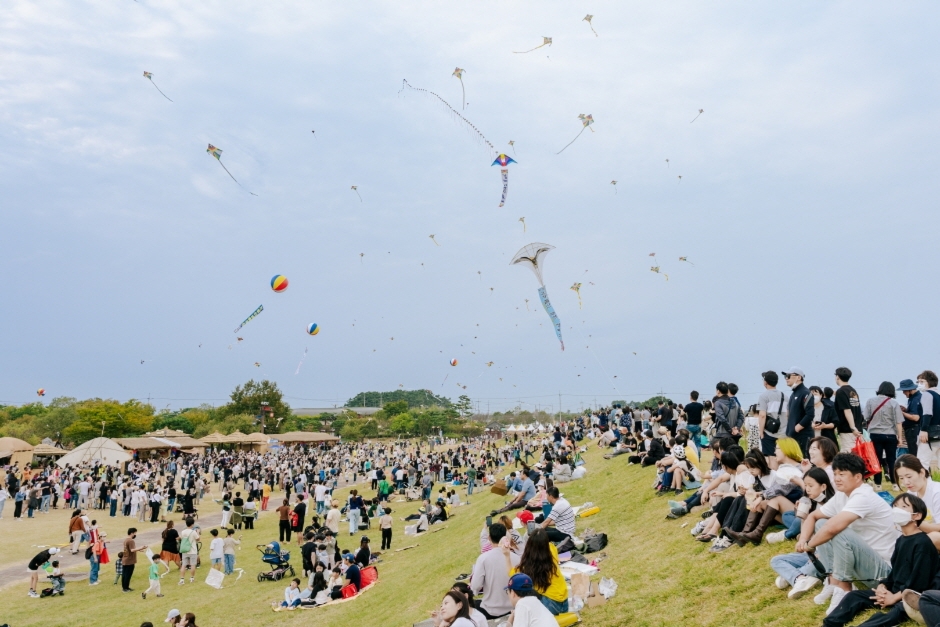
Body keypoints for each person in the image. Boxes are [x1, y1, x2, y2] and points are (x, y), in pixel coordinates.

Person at [793, 453, 898, 614]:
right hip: (864, 562)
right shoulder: (842, 495)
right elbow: (813, 516)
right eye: (835, 474)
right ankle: (833, 581)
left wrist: (809, 545)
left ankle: (844, 588)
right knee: (822, 522)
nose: (836, 478)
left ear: (857, 477)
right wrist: (804, 539)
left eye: (842, 474)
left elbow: (833, 528)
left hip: (883, 573)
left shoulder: (863, 496)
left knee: (838, 530)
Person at [822, 493, 937, 627]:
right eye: (895, 506)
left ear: (916, 515)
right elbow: (895, 571)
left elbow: (919, 583)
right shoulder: (901, 540)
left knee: (892, 615)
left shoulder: (922, 543)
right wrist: (883, 586)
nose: (897, 510)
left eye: (904, 507)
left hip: (909, 596)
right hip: (893, 591)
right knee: (854, 596)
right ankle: (830, 624)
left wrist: (893, 598)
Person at [504, 529, 568, 615]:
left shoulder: (527, 566)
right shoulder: (552, 549)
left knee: (523, 588)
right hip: (565, 604)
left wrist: (507, 555)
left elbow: (511, 573)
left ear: (529, 545)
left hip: (549, 605)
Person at [470, 523, 520, 620]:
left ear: (489, 538)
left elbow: (476, 586)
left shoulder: (483, 558)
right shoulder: (516, 558)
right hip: (513, 606)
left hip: (491, 610)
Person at [864, 381, 904, 491]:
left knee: (876, 459)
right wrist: (899, 437)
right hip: (890, 434)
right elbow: (899, 422)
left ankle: (878, 484)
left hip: (875, 434)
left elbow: (866, 416)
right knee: (891, 460)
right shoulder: (894, 403)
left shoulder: (870, 401)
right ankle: (895, 484)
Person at [783, 368, 815, 454]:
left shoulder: (805, 393)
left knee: (805, 462)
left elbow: (810, 414)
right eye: (785, 376)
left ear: (798, 377)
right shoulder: (793, 394)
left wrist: (796, 428)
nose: (786, 378)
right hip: (793, 436)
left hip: (803, 436)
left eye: (788, 376)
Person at [758, 371, 786, 465]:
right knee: (781, 456)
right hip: (783, 432)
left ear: (765, 382)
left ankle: (774, 478)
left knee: (771, 457)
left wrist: (761, 432)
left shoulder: (763, 396)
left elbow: (762, 415)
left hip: (769, 433)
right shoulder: (784, 396)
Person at [833, 367, 863, 452]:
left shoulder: (841, 391)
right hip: (858, 429)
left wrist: (852, 427)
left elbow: (847, 410)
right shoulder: (852, 391)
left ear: (837, 377)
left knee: (848, 457)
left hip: (848, 430)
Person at [121, 527, 148, 592]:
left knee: (124, 574)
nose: (135, 535)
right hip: (129, 560)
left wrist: (139, 550)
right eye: (135, 533)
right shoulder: (131, 541)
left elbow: (129, 549)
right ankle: (126, 588)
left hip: (125, 559)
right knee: (128, 575)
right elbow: (132, 550)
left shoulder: (126, 540)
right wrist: (141, 547)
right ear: (132, 533)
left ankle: (125, 587)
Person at [178, 517, 200, 585]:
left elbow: (180, 538)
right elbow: (198, 539)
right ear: (192, 524)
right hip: (192, 550)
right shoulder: (193, 532)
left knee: (184, 565)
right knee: (192, 565)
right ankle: (192, 578)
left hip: (185, 550)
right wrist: (198, 532)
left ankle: (182, 579)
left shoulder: (183, 531)